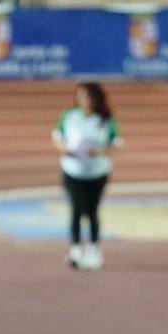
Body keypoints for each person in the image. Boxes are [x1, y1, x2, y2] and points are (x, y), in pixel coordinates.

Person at [52, 81, 121, 271]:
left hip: (97, 172)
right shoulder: (69, 116)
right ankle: (75, 249)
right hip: (73, 171)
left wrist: (97, 152)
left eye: (89, 96)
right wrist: (66, 150)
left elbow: (115, 143)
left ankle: (94, 250)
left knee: (92, 211)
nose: (85, 100)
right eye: (81, 95)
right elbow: (57, 137)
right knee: (76, 209)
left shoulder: (105, 119)